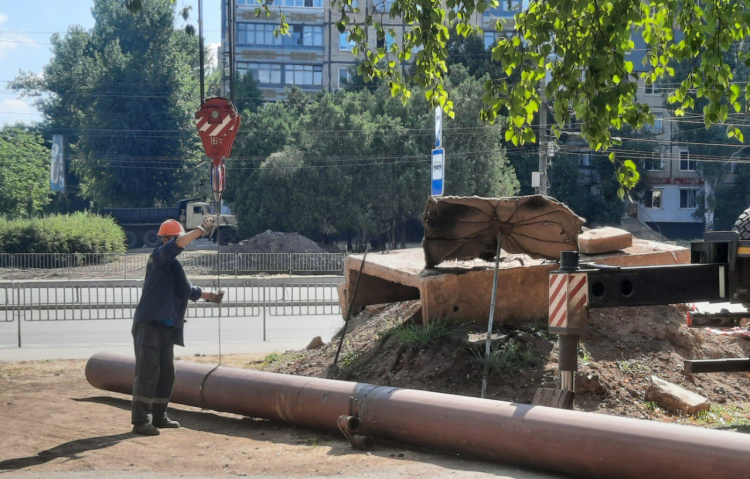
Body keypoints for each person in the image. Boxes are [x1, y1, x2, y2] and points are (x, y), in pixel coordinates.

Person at [131, 216, 223, 436]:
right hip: (149, 325)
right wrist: (199, 231)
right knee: (147, 372)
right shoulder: (159, 258)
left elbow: (188, 290)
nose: (183, 243)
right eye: (177, 239)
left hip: (165, 328)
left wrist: (211, 296)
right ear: (165, 240)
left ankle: (160, 416)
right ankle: (141, 420)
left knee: (166, 374)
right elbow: (176, 246)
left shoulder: (173, 266)